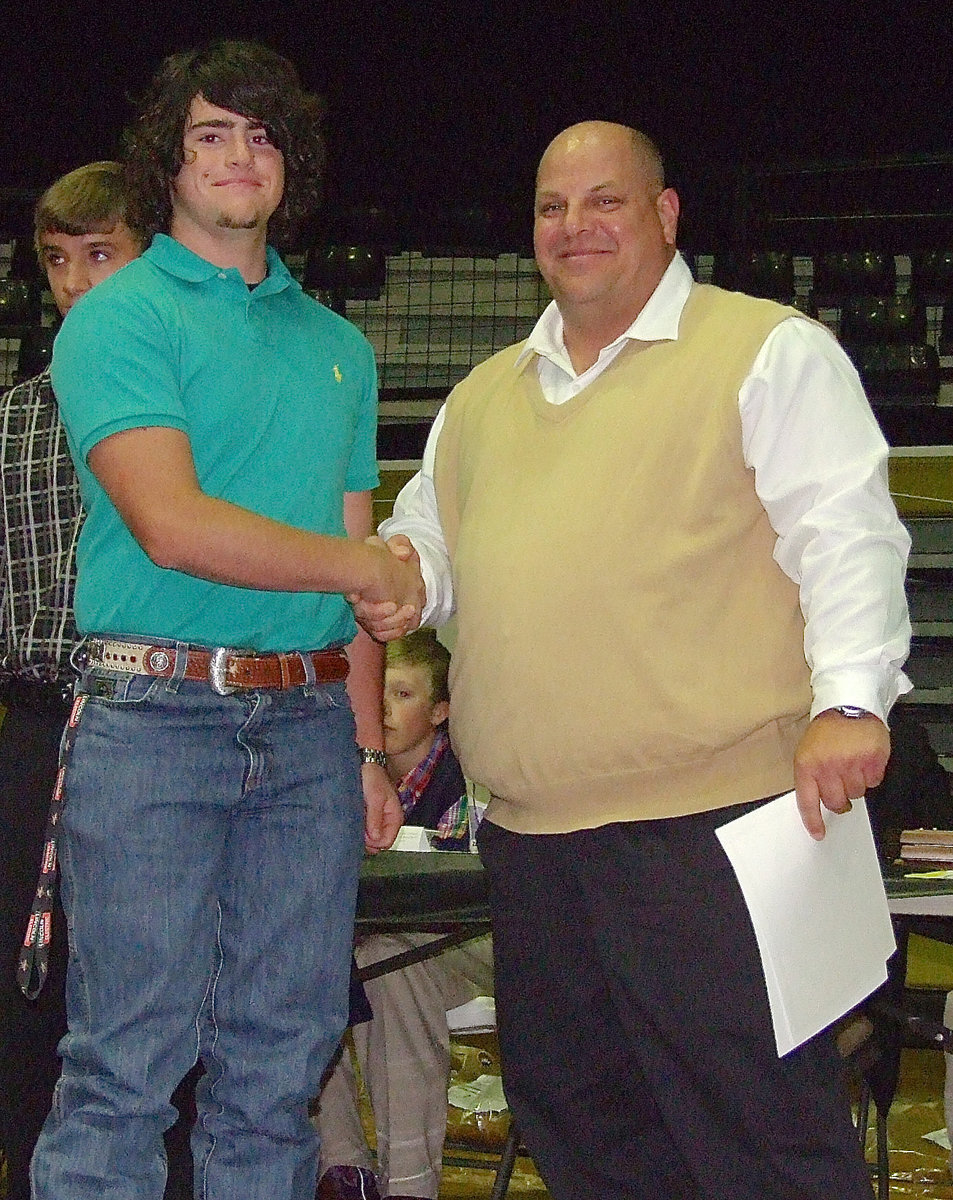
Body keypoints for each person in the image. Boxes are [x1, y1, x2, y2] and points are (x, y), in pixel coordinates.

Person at [359, 121, 913, 1199]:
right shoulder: (482, 397)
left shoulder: (767, 348)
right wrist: (400, 573)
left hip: (722, 829)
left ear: (664, 215)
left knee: (758, 1141)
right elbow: (429, 545)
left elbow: (844, 533)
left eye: (603, 201)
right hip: (531, 844)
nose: (573, 226)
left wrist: (850, 700)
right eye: (551, 207)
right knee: (586, 1140)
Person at [27, 41, 423, 1200]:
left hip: (308, 731)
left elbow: (356, 594)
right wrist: (362, 562)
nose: (239, 156)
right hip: (154, 718)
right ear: (169, 160)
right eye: (211, 134)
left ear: (290, 163)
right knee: (125, 1070)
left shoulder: (338, 348)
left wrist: (364, 747)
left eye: (262, 135)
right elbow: (173, 525)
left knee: (278, 1071)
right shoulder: (117, 318)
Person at [0, 161, 146, 1200]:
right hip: (36, 727)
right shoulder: (12, 420)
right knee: (27, 1006)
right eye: (58, 260)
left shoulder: (190, 408)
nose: (76, 282)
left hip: (160, 718)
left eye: (101, 254)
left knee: (152, 998)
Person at [314, 629, 493, 1200]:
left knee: (386, 966)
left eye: (403, 694)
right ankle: (341, 1167)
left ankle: (409, 1183)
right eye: (377, 693)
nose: (384, 710)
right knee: (306, 967)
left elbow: (473, 893)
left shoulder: (469, 778)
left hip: (471, 941)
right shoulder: (337, 772)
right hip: (372, 939)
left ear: (441, 712)